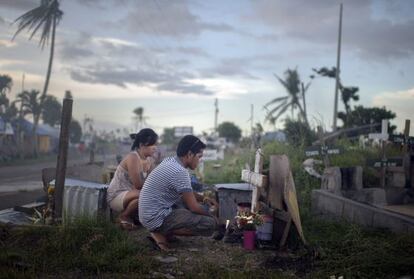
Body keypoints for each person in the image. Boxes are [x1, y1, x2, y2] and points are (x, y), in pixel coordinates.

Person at [139, 135, 218, 251]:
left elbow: (186, 193)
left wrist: (204, 198)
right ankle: (161, 231)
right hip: (154, 217)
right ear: (190, 154)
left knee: (185, 203)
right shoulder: (180, 172)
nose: (200, 160)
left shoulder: (170, 161)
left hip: (147, 213)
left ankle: (162, 230)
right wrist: (213, 216)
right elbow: (194, 207)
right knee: (209, 224)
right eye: (199, 156)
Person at [107, 128, 158, 230]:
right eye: (152, 145)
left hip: (133, 194)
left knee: (151, 194)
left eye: (156, 144)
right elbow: (138, 185)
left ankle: (133, 216)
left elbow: (152, 181)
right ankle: (124, 216)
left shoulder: (150, 161)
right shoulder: (133, 157)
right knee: (149, 194)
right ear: (142, 145)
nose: (155, 148)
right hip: (117, 195)